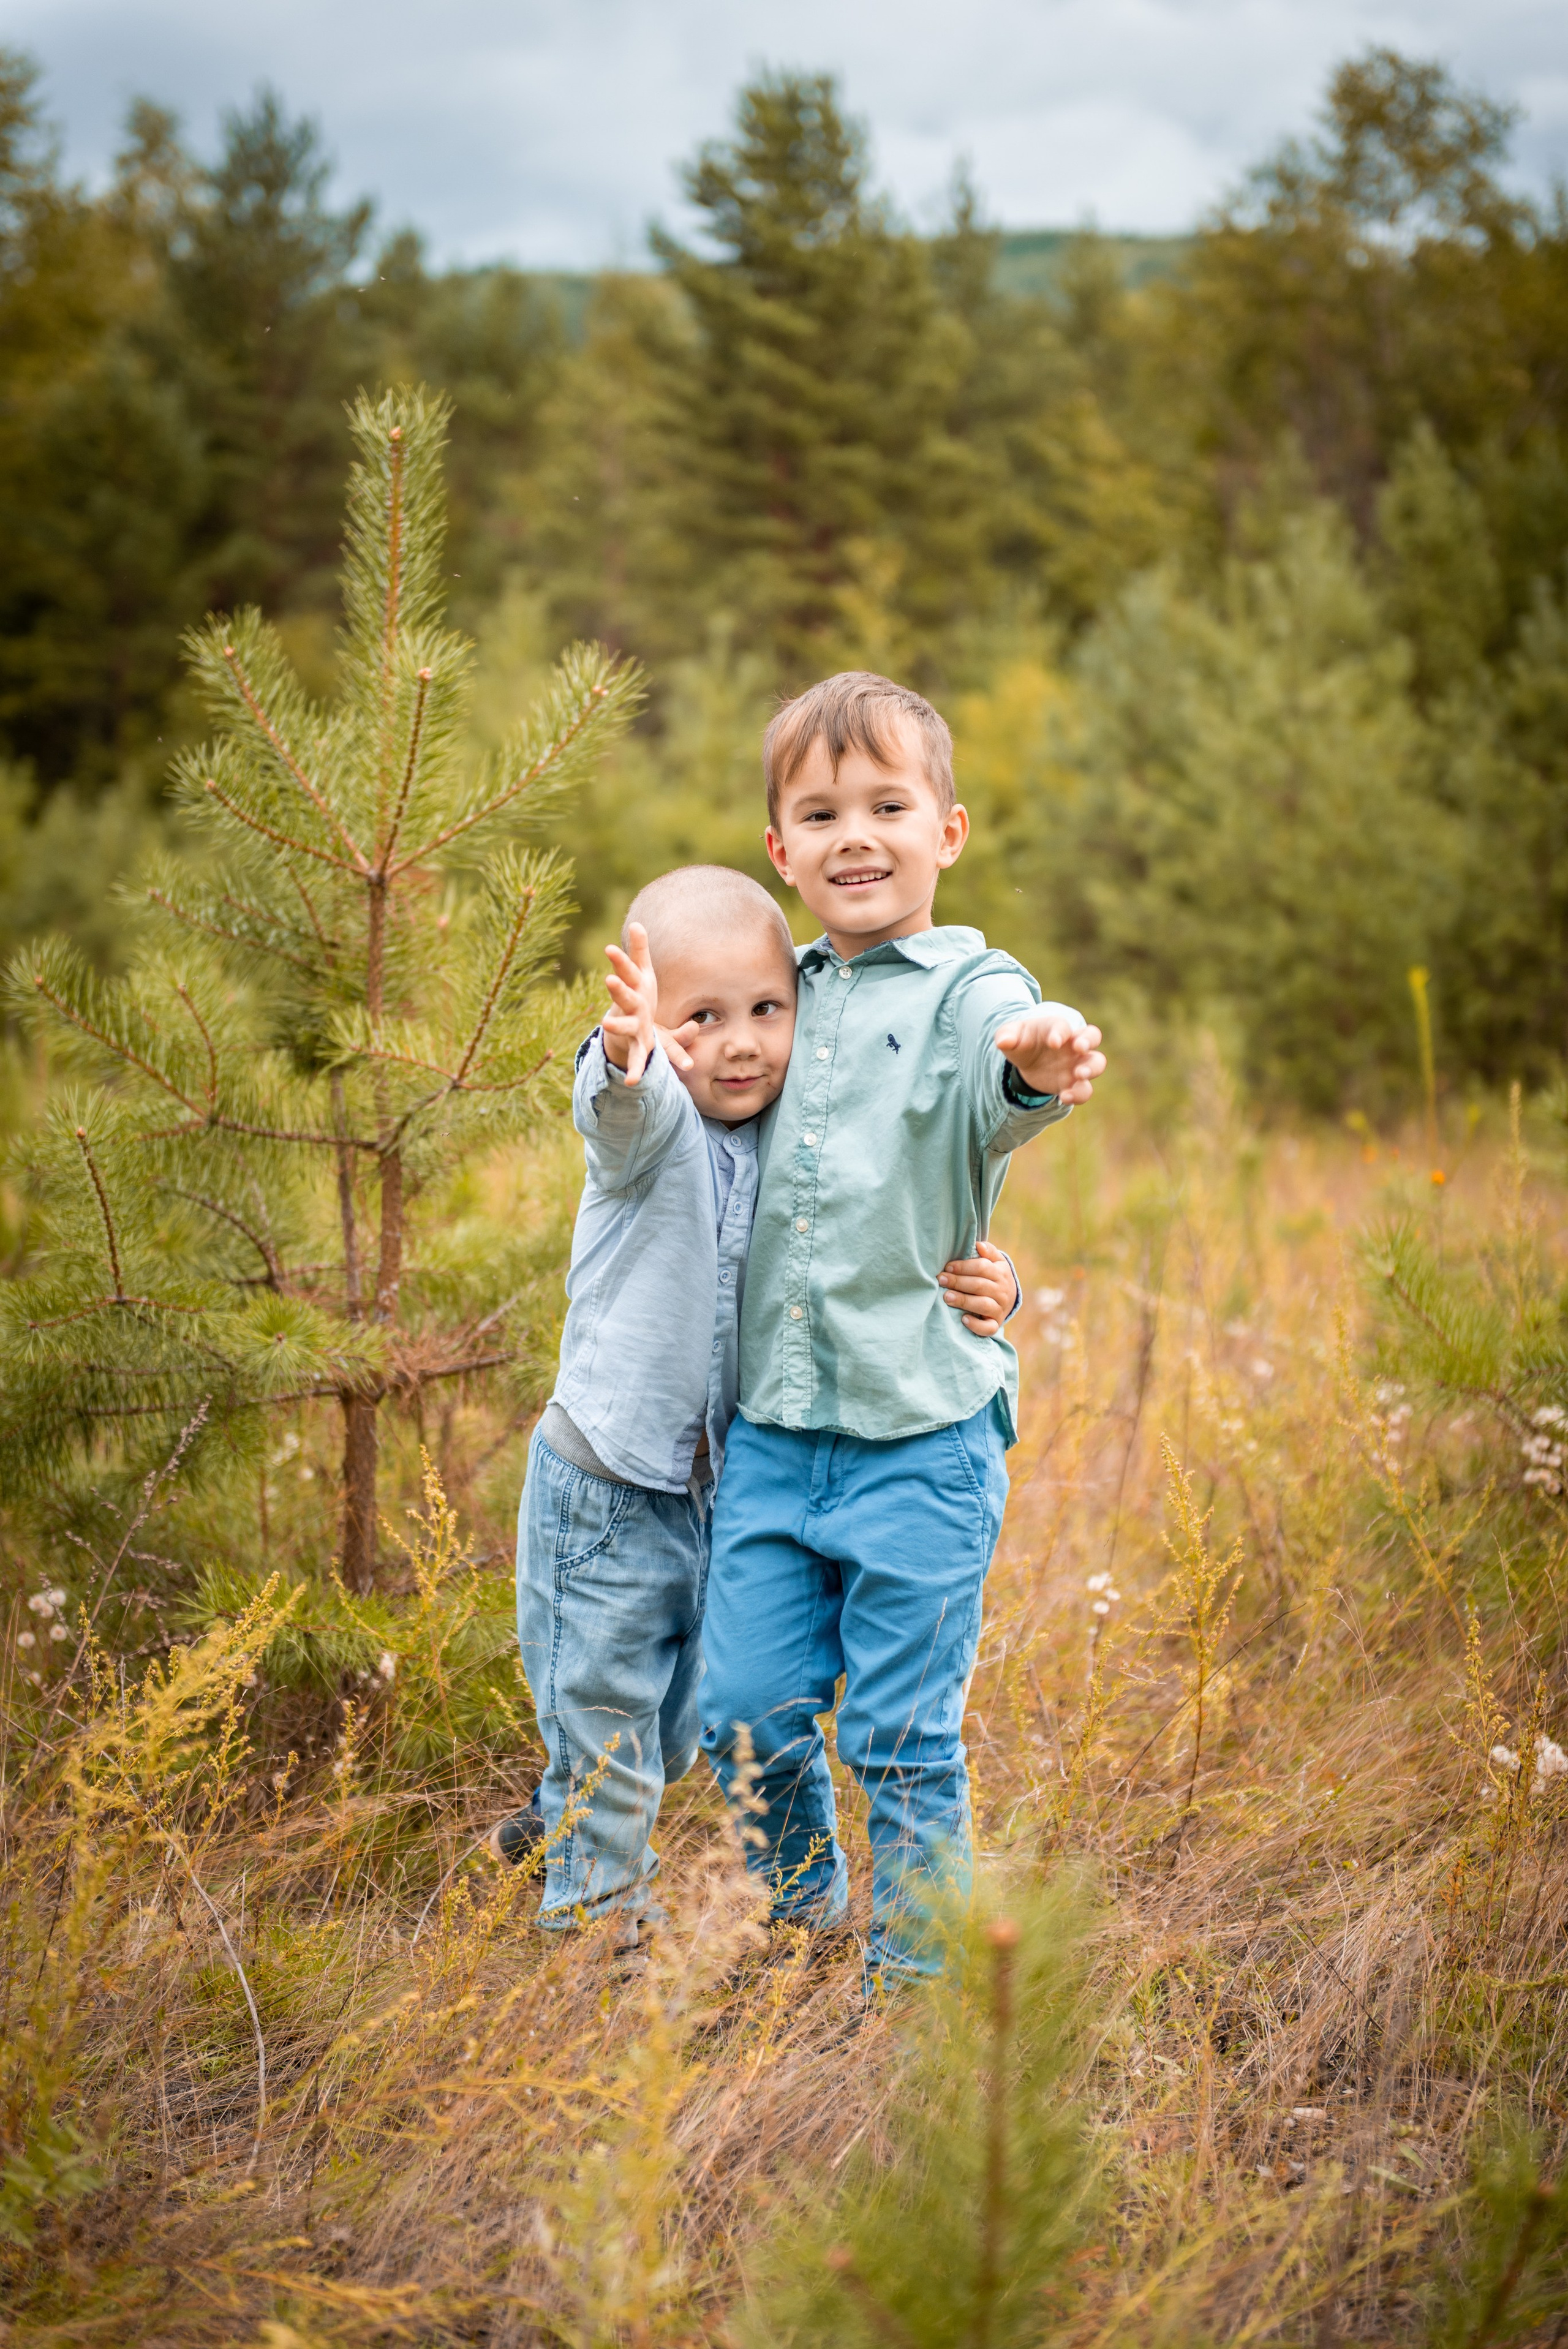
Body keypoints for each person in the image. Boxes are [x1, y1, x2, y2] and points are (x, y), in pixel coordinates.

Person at [489, 861, 1021, 1955]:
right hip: (609, 1484)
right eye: (703, 1018)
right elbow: (616, 1110)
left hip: (721, 1489)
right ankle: (597, 1939)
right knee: (608, 1727)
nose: (739, 1045)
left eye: (768, 1011)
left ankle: (570, 1826)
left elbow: (881, 1222)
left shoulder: (791, 1133)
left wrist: (1000, 1284)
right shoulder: (659, 1124)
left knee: (681, 1732)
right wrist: (629, 1054)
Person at [697, 671, 1106, 1988]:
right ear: (780, 849)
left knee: (899, 1736)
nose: (854, 836)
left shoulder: (971, 988)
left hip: (922, 1438)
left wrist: (1037, 1055)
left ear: (948, 830)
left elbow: (1006, 1062)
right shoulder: (776, 995)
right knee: (742, 1710)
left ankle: (916, 1989)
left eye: (887, 805)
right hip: (775, 1435)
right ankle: (799, 1916)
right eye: (820, 814)